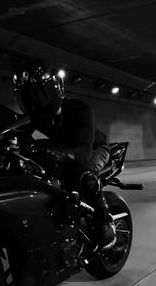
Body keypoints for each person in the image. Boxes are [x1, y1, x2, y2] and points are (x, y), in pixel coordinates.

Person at [13, 63, 116, 251]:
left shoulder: (81, 110)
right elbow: (17, 134)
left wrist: (59, 154)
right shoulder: (36, 118)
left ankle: (104, 225)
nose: (33, 101)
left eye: (37, 94)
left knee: (86, 175)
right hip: (62, 150)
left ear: (52, 90)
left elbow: (83, 152)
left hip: (95, 148)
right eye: (26, 96)